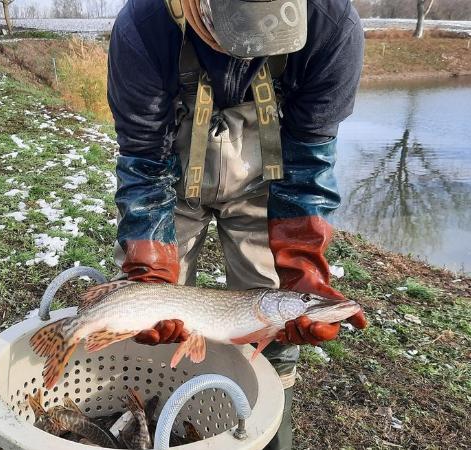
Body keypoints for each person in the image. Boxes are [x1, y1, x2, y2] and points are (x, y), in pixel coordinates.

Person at [108, 0, 368, 447]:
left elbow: (308, 162)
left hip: (269, 182)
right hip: (169, 181)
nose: (245, 55)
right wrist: (149, 271)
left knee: (276, 329)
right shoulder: (145, 26)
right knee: (150, 322)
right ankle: (144, 419)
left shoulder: (332, 27)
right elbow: (145, 163)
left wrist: (302, 266)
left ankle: (265, 426)